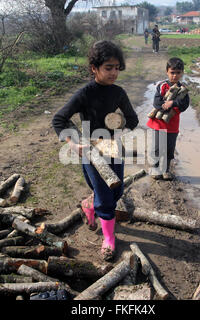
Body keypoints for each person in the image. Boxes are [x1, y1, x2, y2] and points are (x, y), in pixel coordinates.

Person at [52, 40, 139, 261]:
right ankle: (109, 239)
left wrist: (121, 128)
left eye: (117, 68)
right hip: (92, 151)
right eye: (108, 68)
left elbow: (133, 119)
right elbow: (59, 120)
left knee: (117, 191)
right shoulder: (85, 94)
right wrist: (72, 143)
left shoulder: (118, 92)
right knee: (106, 198)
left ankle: (89, 205)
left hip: (113, 147)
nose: (114, 73)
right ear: (94, 68)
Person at [146, 57, 190, 180]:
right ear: (167, 72)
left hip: (172, 124)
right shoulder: (162, 86)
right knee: (157, 148)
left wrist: (173, 104)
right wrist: (166, 106)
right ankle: (155, 169)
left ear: (182, 73)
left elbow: (184, 105)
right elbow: (156, 102)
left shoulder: (183, 90)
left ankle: (165, 170)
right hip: (159, 123)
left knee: (169, 149)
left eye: (178, 73)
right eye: (172, 72)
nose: (175, 76)